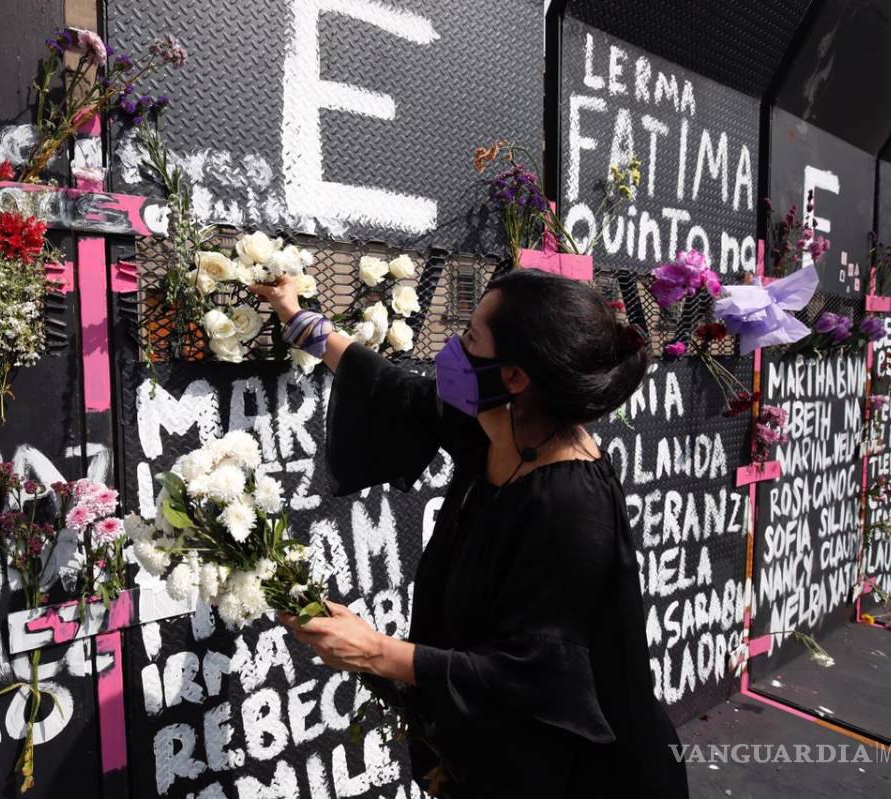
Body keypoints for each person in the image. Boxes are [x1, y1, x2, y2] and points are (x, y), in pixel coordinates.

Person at [249, 267, 689, 798]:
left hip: (582, 777)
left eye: (471, 336)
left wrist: (374, 652)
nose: (453, 346)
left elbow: (536, 676)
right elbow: (397, 390)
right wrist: (296, 317)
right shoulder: (494, 431)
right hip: (498, 760)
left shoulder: (571, 507)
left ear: (515, 377)